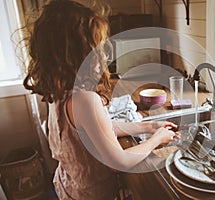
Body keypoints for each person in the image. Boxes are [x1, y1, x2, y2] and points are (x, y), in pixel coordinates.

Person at [22, 0, 179, 199]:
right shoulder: (85, 100)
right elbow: (119, 162)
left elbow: (98, 130)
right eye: (97, 47)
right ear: (77, 54)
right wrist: (157, 139)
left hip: (68, 187)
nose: (104, 55)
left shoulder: (59, 93)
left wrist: (148, 127)